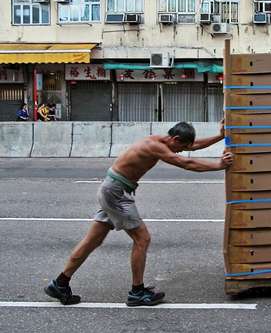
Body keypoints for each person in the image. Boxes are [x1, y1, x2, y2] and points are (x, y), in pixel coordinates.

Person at [44, 120, 233, 306]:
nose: (181, 151)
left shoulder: (163, 141)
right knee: (142, 239)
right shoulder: (154, 146)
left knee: (93, 240)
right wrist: (219, 165)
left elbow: (194, 146)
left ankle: (60, 283)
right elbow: (186, 163)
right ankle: (137, 292)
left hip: (112, 189)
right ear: (175, 139)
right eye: (181, 147)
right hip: (116, 193)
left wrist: (220, 136)